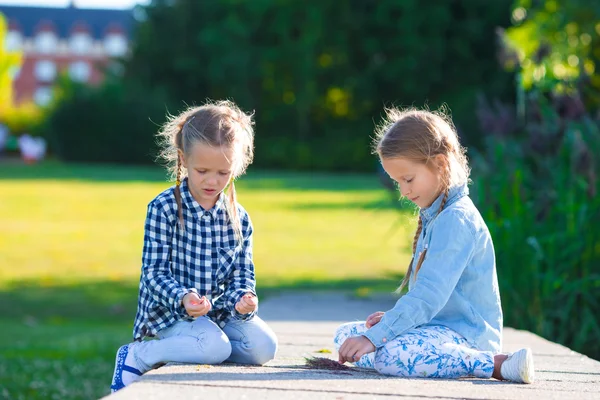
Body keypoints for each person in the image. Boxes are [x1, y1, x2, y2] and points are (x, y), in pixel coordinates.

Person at [334, 107, 534, 383]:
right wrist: (392, 322)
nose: (403, 191)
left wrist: (382, 334)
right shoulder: (436, 214)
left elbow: (429, 295)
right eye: (397, 183)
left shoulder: (456, 220)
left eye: (408, 179)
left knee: (388, 354)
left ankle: (495, 364)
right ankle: (410, 349)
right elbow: (427, 300)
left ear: (439, 164)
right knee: (345, 336)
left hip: (466, 336)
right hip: (435, 331)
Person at [110, 100, 277, 392]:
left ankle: (201, 347)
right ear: (183, 159)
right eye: (202, 171)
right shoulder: (164, 208)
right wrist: (184, 297)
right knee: (214, 348)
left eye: (223, 173)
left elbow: (243, 274)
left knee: (264, 347)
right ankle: (139, 354)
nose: (212, 181)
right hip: (171, 313)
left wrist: (245, 300)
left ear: (236, 168)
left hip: (220, 315)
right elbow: (153, 273)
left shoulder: (238, 218)